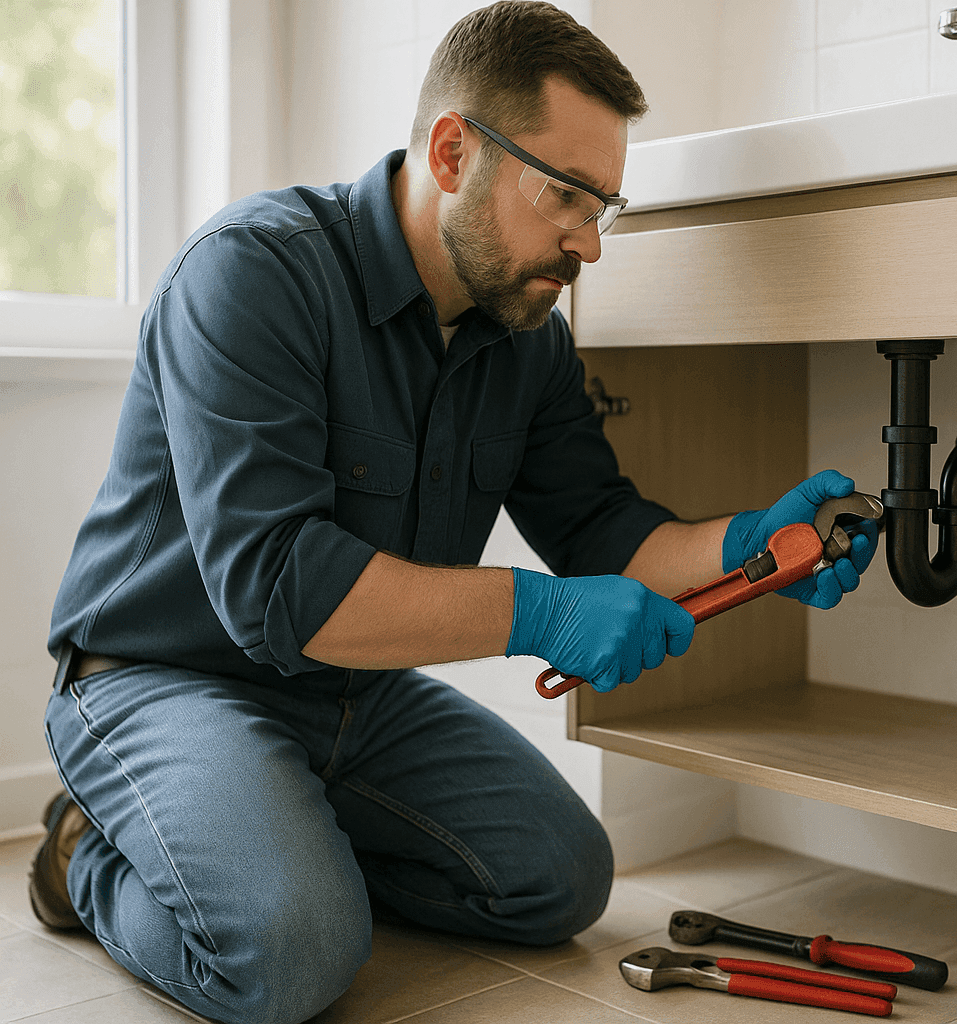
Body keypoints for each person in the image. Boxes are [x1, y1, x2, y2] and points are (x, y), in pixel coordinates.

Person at [28, 4, 877, 1022]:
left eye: (603, 206)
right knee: (290, 959)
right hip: (165, 679)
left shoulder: (528, 341)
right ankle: (87, 853)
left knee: (561, 878)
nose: (588, 243)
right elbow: (279, 589)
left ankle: (278, 843)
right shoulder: (253, 272)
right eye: (565, 195)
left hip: (353, 695)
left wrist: (751, 549)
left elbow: (603, 531)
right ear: (451, 152)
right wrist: (542, 612)